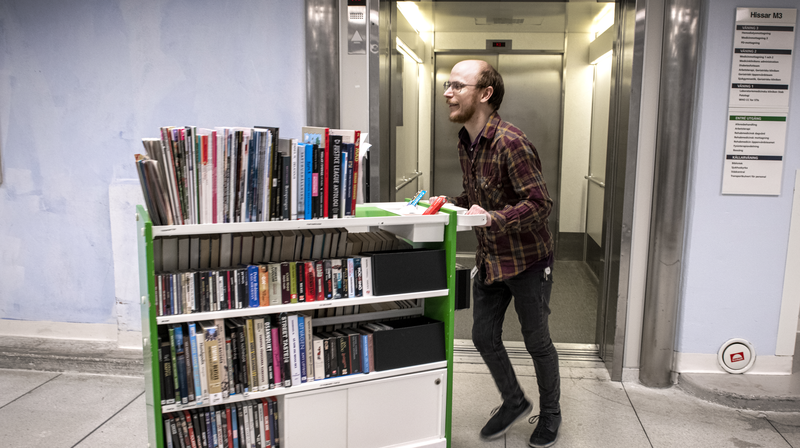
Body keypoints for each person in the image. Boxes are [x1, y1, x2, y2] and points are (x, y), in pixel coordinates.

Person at [442, 60, 561, 447]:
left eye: (458, 85)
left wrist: (494, 218)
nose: (448, 92)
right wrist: (450, 204)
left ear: (485, 93)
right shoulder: (466, 140)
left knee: (536, 341)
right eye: (448, 84)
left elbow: (541, 204)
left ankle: (551, 414)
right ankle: (514, 401)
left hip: (528, 262)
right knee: (482, 336)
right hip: (491, 259)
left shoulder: (512, 142)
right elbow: (480, 199)